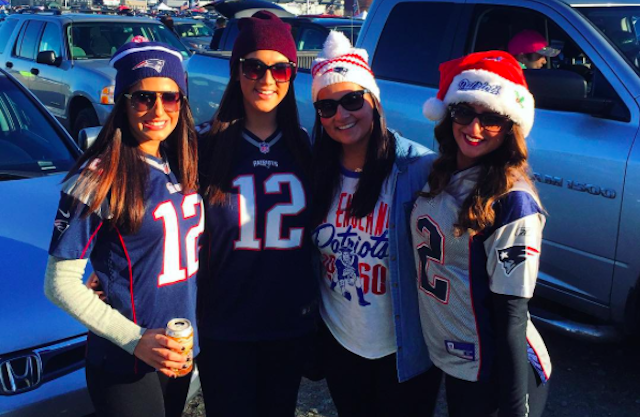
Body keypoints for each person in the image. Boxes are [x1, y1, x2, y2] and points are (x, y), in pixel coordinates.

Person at [44, 38, 201, 417]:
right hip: (126, 359)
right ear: (123, 101)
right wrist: (135, 339)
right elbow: (58, 283)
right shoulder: (100, 174)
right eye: (143, 97)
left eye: (170, 97)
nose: (158, 109)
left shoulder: (181, 159)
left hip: (177, 348)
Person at [309, 31, 442, 417]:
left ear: (374, 101)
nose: (341, 115)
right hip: (341, 343)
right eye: (327, 106)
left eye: (352, 100)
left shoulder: (419, 169)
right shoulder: (316, 172)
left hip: (404, 348)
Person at [418, 50, 552, 417]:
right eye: (464, 112)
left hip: (493, 365)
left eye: (491, 118)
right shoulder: (440, 171)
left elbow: (512, 315)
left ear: (511, 127)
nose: (474, 129)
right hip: (451, 351)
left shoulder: (513, 203)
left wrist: (514, 407)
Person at [196, 11, 317, 417]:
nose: (266, 80)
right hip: (223, 327)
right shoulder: (205, 147)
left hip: (287, 326)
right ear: (236, 72)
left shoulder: (307, 147)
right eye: (254, 67)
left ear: (291, 75)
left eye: (280, 69)